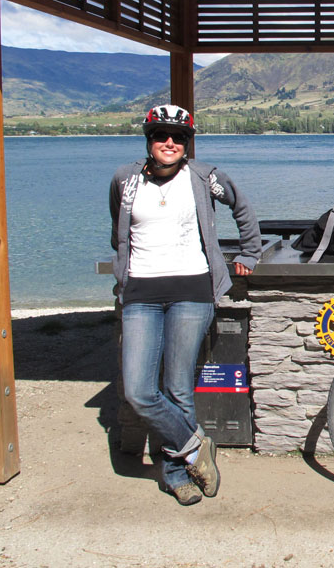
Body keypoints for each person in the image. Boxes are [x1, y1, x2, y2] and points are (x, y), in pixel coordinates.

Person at [109, 104, 262, 505]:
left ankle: (177, 474)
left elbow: (241, 205)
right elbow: (118, 231)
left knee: (178, 388)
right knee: (140, 391)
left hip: (192, 292)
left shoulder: (203, 177)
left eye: (179, 137)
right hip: (141, 293)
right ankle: (197, 449)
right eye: (161, 135)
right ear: (149, 140)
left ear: (188, 143)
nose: (170, 143)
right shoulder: (125, 180)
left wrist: (250, 251)